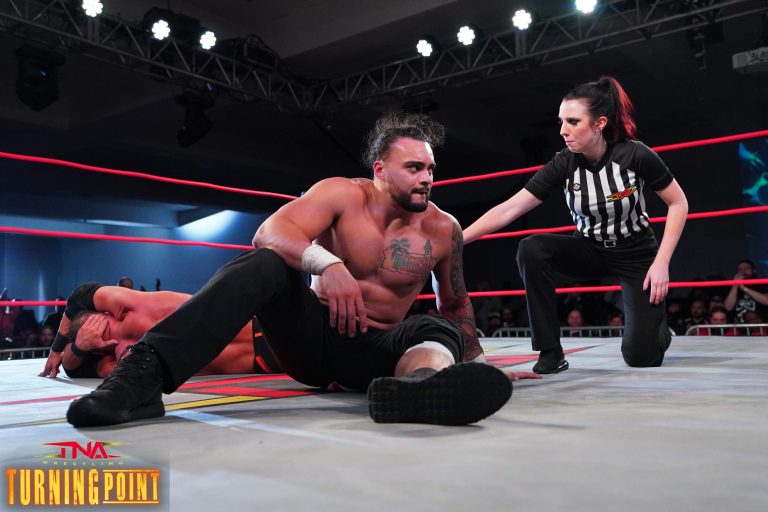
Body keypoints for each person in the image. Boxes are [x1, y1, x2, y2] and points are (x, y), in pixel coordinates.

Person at [65, 112, 539, 429]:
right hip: (308, 338)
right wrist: (327, 263)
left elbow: (455, 303)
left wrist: (476, 364)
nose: (427, 179)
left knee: (436, 328)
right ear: (379, 171)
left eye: (431, 169)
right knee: (265, 264)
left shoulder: (442, 228)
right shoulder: (341, 194)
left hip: (372, 355)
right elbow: (270, 231)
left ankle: (421, 389)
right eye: (414, 168)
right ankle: (142, 380)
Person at [463, 76, 688, 373]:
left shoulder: (635, 155)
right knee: (531, 248)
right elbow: (510, 208)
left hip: (636, 254)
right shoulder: (564, 163)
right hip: (589, 249)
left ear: (600, 123)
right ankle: (550, 351)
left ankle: (655, 328)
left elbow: (678, 203)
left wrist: (661, 263)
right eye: (561, 121)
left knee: (641, 357)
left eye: (573, 121)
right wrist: (456, 240)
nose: (563, 130)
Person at [38, 285, 282, 379]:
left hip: (262, 340)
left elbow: (79, 297)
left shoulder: (119, 359)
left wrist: (64, 349)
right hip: (265, 340)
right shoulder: (124, 308)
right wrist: (70, 347)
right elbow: (79, 297)